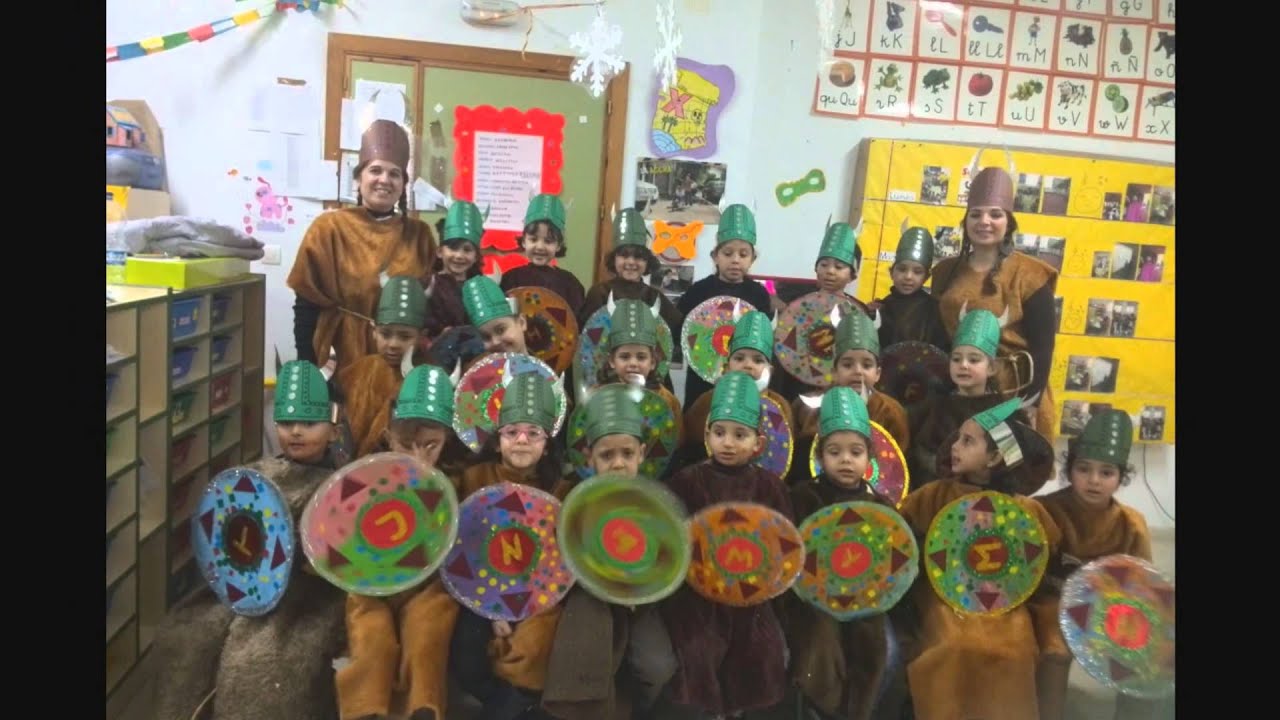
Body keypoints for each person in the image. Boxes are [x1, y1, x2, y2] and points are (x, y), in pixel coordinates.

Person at [151, 361, 346, 720]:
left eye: (309, 423)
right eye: (287, 424)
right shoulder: (258, 474)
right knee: (182, 637)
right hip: (241, 585)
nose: (297, 432)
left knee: (257, 664)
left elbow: (340, 557)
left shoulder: (339, 489)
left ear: (334, 431)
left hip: (306, 596)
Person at [894, 398, 1060, 720]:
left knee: (1017, 648)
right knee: (954, 641)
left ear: (995, 456)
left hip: (1005, 603)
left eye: (967, 441)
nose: (955, 446)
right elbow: (901, 533)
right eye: (958, 438)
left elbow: (1045, 552)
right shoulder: (934, 494)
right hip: (943, 597)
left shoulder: (1023, 509)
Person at [659, 371, 794, 718]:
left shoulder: (771, 488)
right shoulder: (686, 482)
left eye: (740, 435)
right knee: (699, 647)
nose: (728, 443)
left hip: (751, 593)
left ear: (758, 444)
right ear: (706, 436)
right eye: (719, 433)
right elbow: (673, 541)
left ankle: (737, 710)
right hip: (698, 594)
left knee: (759, 649)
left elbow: (784, 547)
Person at [540, 386, 679, 720]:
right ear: (589, 457)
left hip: (641, 601)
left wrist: (642, 587)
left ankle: (636, 707)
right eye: (607, 455)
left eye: (627, 454)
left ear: (642, 454)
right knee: (586, 664)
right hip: (589, 598)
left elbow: (665, 556)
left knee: (658, 665)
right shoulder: (575, 498)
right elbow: (564, 551)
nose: (618, 464)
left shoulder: (654, 500)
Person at [336, 365, 464, 720]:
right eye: (406, 444)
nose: (418, 458)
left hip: (428, 585)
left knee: (427, 632)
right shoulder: (364, 478)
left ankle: (423, 710)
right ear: (388, 435)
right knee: (371, 636)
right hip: (370, 583)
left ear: (446, 440)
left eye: (430, 445)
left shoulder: (454, 484)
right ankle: (365, 712)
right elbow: (337, 533)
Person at [449, 373, 567, 720]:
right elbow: (462, 551)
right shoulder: (474, 480)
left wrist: (520, 607)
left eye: (533, 434)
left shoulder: (561, 490)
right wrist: (492, 608)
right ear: (497, 440)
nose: (521, 441)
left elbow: (559, 563)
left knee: (532, 648)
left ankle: (515, 704)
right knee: (467, 651)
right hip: (480, 591)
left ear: (546, 444)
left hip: (539, 597)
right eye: (511, 431)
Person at [1031, 410, 1160, 720]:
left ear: (1120, 477)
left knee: (1148, 650)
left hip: (1108, 608)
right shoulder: (1045, 511)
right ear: (1070, 470)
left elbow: (1143, 589)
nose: (1093, 480)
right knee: (1054, 651)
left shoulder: (1132, 524)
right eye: (1084, 469)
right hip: (1051, 603)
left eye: (1106, 472)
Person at [783, 387, 899, 720]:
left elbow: (896, 556)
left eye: (855, 451)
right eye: (834, 452)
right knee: (819, 646)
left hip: (866, 599)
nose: (845, 459)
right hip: (814, 600)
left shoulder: (881, 507)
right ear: (820, 457)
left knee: (877, 651)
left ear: (869, 458)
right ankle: (822, 710)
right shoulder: (803, 497)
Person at [288, 120, 436, 372]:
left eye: (394, 173)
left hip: (401, 362)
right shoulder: (329, 229)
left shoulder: (419, 235)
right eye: (375, 170)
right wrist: (308, 368)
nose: (384, 180)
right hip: (342, 357)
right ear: (358, 177)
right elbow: (306, 305)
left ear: (403, 184)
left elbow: (431, 305)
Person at [930, 163, 1058, 448]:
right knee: (955, 464)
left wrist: (1030, 402)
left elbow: (1043, 348)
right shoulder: (945, 272)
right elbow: (938, 334)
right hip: (960, 392)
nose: (984, 221)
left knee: (1005, 470)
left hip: (1015, 393)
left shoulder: (1032, 275)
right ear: (965, 221)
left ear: (1009, 222)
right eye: (975, 214)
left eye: (995, 214)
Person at [677, 204, 773, 409]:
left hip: (746, 379)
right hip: (701, 379)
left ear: (752, 259)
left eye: (743, 254)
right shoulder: (698, 291)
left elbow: (766, 340)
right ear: (715, 256)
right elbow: (681, 331)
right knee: (699, 418)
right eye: (728, 253)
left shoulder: (759, 295)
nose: (735, 260)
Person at [333, 276, 427, 458]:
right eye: (385, 334)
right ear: (374, 331)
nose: (393, 344)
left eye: (405, 337)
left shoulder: (427, 377)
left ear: (421, 336)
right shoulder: (356, 371)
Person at [499, 193, 586, 314]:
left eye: (548, 241)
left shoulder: (570, 285)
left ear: (559, 245)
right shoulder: (510, 279)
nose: (540, 247)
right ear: (524, 241)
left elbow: (576, 324)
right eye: (533, 239)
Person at [872, 223, 949, 351]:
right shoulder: (882, 308)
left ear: (926, 277)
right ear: (891, 272)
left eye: (917, 272)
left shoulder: (934, 310)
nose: (908, 276)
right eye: (902, 269)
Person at [423, 200, 485, 340]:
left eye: (467, 250)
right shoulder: (427, 284)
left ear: (476, 256)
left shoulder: (481, 287)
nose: (459, 255)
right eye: (453, 248)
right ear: (439, 252)